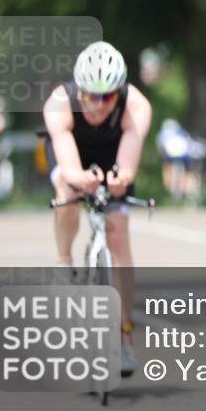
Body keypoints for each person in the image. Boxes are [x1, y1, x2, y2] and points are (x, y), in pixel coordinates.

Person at [42, 41, 152, 377]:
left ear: (119, 92)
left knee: (118, 234)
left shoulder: (136, 105)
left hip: (114, 156)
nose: (99, 104)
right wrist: (79, 179)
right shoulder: (60, 102)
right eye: (91, 95)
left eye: (108, 97)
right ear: (80, 90)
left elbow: (128, 162)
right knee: (66, 189)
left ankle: (123, 339)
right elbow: (67, 159)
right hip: (73, 155)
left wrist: (121, 179)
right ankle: (64, 262)